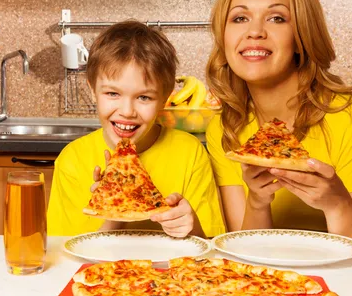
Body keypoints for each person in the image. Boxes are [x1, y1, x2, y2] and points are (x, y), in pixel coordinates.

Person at [205, 0, 352, 244]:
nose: (255, 31)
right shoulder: (226, 128)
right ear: (224, 36)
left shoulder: (349, 120)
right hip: (276, 282)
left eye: (277, 18)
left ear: (301, 38)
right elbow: (248, 252)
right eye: (239, 18)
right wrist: (258, 202)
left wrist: (337, 203)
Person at [47, 21, 225, 238]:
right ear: (93, 90)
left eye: (144, 97)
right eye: (113, 94)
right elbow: (66, 255)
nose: (127, 111)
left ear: (165, 97)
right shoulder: (72, 160)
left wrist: (189, 226)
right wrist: (114, 206)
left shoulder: (191, 153)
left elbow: (207, 247)